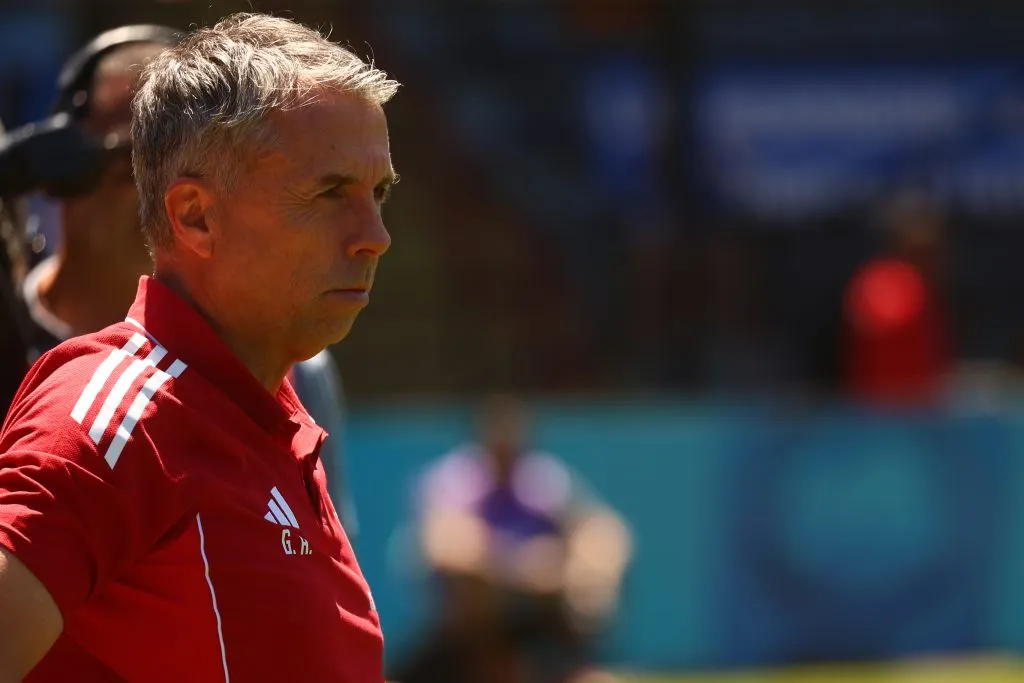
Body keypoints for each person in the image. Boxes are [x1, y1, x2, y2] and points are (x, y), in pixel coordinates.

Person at [0, 12, 399, 682]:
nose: (375, 236)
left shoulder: (275, 415)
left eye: (379, 193)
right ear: (195, 215)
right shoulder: (117, 421)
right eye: (331, 193)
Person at [0, 24, 359, 529]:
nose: (177, 199)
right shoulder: (8, 339)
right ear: (64, 174)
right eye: (135, 165)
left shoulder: (293, 370)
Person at [395, 395, 632, 683]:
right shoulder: (457, 480)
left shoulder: (541, 481)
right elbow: (444, 547)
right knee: (472, 587)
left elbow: (604, 533)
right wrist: (525, 567)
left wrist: (582, 571)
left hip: (536, 619)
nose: (506, 448)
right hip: (472, 631)